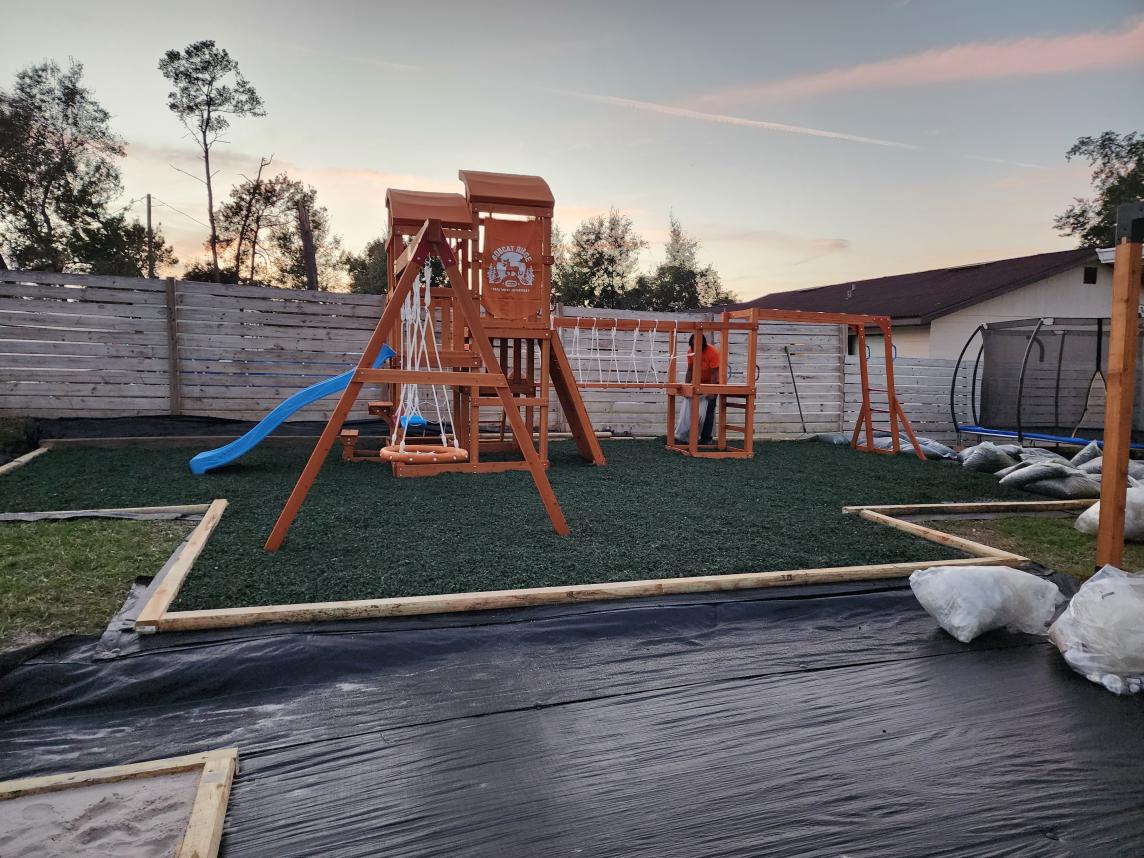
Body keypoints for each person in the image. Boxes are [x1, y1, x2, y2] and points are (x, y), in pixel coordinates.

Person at [686, 334, 720, 444]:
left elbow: (715, 373)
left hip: (712, 382)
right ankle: (688, 436)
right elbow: (690, 370)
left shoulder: (712, 352)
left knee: (709, 409)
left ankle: (706, 438)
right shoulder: (690, 351)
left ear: (703, 344)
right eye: (693, 345)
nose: (695, 347)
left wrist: (711, 390)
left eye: (698, 345)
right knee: (692, 410)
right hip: (698, 383)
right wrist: (686, 387)